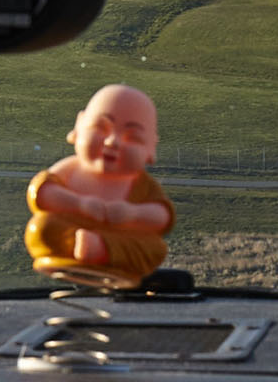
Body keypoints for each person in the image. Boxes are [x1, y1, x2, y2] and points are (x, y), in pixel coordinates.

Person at [26, 84, 175, 285]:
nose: (112, 142)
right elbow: (42, 194)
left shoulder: (142, 183)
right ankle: (80, 248)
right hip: (72, 228)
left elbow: (162, 217)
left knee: (154, 249)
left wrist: (132, 213)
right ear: (78, 128)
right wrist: (79, 204)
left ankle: (100, 250)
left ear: (150, 149)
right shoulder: (71, 168)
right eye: (101, 128)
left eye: (132, 138)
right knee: (41, 228)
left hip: (120, 237)